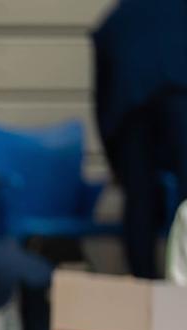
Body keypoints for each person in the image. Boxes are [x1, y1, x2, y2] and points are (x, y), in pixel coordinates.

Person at [93, 0, 187, 279]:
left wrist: (115, 161)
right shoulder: (178, 9)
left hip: (128, 105)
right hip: (178, 94)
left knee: (138, 197)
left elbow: (102, 97)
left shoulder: (115, 19)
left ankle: (143, 283)